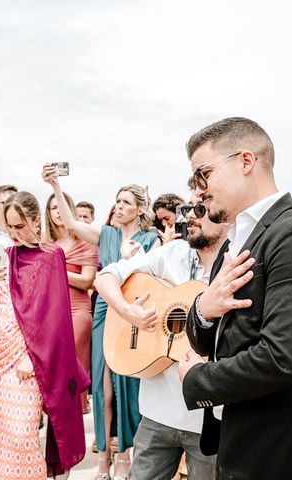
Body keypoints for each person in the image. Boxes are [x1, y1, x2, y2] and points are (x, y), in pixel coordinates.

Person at [177, 117, 292, 479]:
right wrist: (204, 310)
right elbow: (208, 339)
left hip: (286, 452)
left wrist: (196, 378)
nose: (198, 191)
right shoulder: (234, 242)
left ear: (246, 161)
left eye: (203, 174)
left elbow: (280, 358)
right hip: (238, 441)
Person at [95, 192, 225, 480]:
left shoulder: (235, 266)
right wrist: (128, 311)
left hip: (209, 418)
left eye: (199, 209)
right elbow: (105, 277)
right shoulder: (173, 254)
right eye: (186, 208)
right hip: (156, 412)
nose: (189, 215)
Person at [50, 180, 159, 480]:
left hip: (133, 310)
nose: (119, 206)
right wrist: (55, 185)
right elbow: (71, 222)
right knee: (102, 384)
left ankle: (125, 455)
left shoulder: (151, 240)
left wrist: (132, 258)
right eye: (117, 201)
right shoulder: (105, 234)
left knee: (128, 382)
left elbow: (155, 278)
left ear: (139, 209)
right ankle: (103, 459)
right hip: (104, 309)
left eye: (126, 202)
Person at [0, 191, 89, 480]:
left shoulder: (52, 256)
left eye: (19, 226)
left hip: (30, 357)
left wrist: (31, 357)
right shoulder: (2, 256)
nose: (14, 234)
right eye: (9, 227)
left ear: (35, 220)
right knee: (1, 441)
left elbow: (55, 318)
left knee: (23, 435)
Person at [43, 168, 99, 414]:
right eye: (53, 208)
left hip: (77, 311)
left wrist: (56, 269)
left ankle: (78, 408)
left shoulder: (84, 242)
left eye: (61, 207)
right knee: (54, 370)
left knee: (73, 365)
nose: (57, 212)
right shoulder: (44, 245)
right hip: (51, 313)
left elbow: (87, 280)